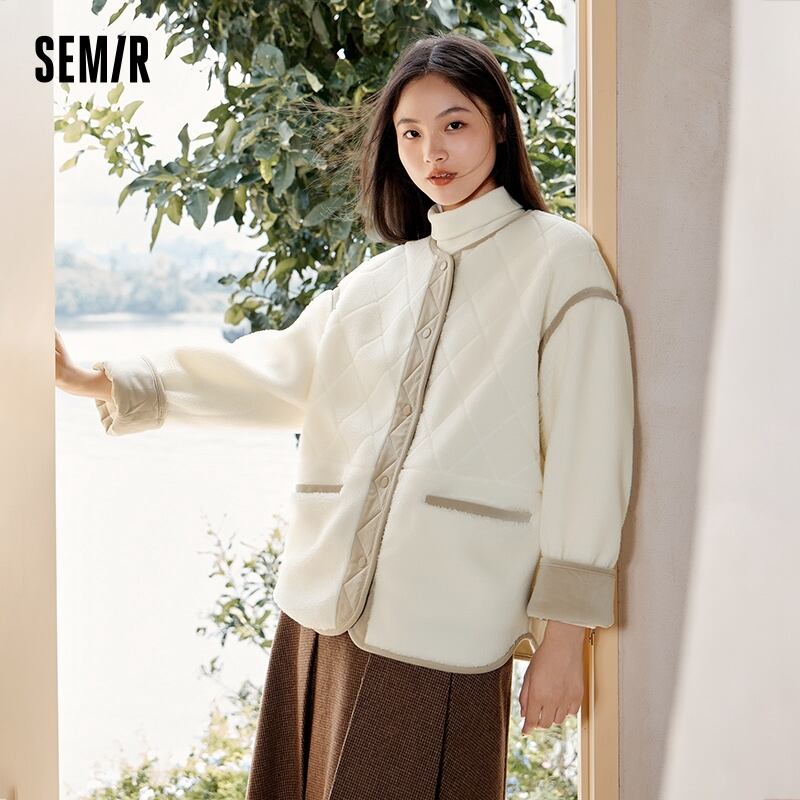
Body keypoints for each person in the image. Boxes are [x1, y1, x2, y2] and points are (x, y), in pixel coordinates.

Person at [55, 31, 634, 800]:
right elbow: (270, 375)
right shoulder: (374, 285)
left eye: (454, 124)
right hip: (317, 624)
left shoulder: (561, 261)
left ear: (499, 123)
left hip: (446, 630)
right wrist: (101, 379)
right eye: (410, 133)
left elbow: (591, 452)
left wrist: (566, 637)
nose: (433, 152)